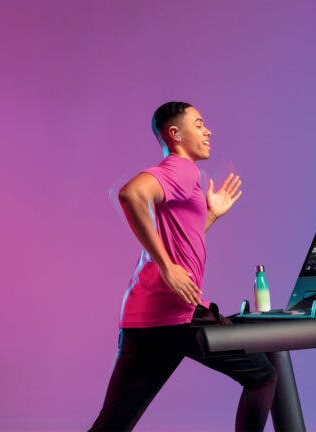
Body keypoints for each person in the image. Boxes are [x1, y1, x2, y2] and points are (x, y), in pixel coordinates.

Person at [88, 102, 278, 432]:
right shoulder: (181, 168)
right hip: (175, 315)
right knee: (263, 375)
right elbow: (131, 194)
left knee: (112, 425)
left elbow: (184, 238)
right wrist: (166, 266)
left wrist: (213, 214)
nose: (208, 131)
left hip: (143, 316)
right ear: (175, 134)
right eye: (199, 124)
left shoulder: (185, 177)